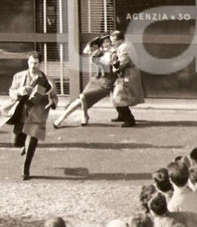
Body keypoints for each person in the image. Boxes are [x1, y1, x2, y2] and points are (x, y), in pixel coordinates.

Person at [7, 50, 56, 180]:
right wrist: (18, 92)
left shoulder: (47, 80)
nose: (32, 66)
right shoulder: (18, 76)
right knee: (15, 142)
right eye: (30, 62)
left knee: (32, 140)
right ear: (27, 62)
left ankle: (25, 169)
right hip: (22, 112)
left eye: (35, 63)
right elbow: (11, 92)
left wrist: (52, 102)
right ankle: (22, 144)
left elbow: (54, 97)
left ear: (40, 63)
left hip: (37, 113)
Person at [54, 35, 116, 128]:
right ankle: (68, 118)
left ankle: (73, 117)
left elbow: (112, 66)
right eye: (103, 42)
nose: (106, 44)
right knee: (81, 99)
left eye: (107, 41)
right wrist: (93, 42)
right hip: (95, 80)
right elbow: (86, 51)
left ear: (111, 42)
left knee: (83, 97)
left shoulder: (114, 53)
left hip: (106, 83)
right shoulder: (99, 52)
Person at [110, 30, 145, 127]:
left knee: (119, 96)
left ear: (120, 40)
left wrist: (114, 69)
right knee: (119, 94)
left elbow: (122, 62)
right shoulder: (125, 44)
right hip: (128, 72)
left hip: (128, 73)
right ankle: (121, 115)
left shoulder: (124, 47)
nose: (112, 43)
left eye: (114, 41)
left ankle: (129, 119)